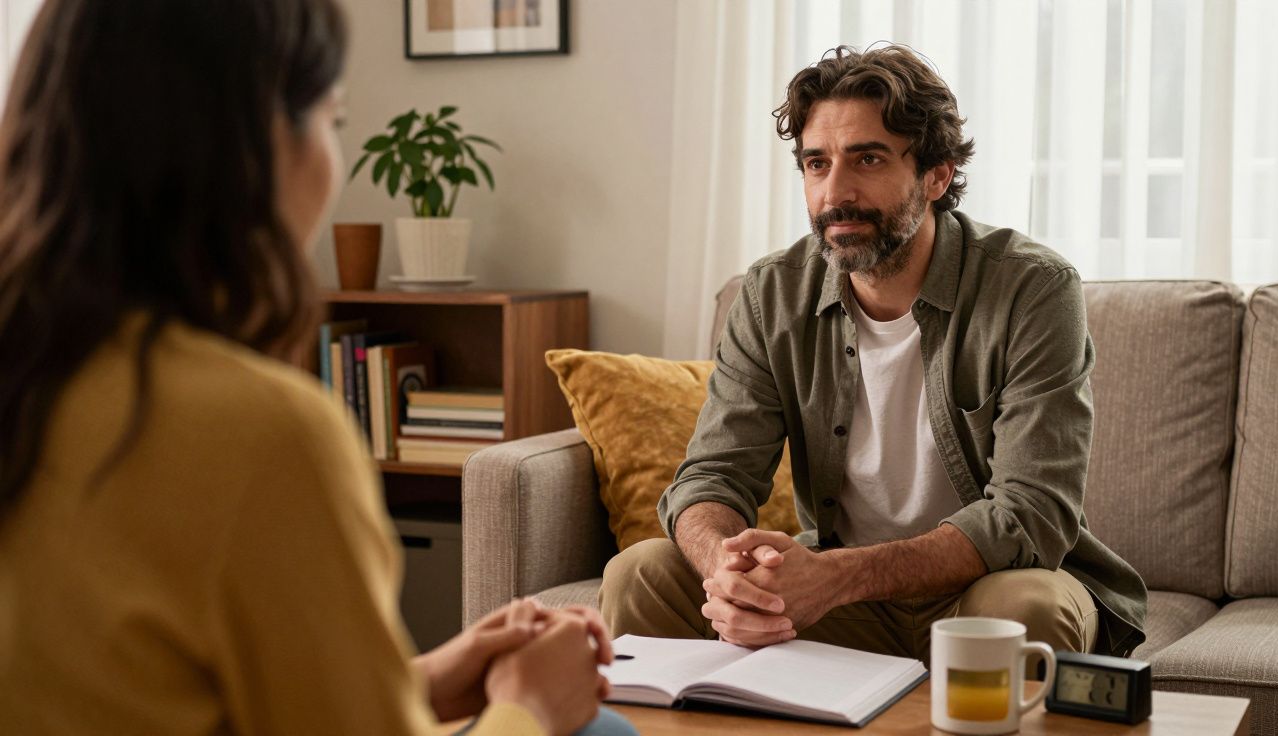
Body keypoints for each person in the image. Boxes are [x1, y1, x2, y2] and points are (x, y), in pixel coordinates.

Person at [0, 1, 631, 735]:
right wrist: (529, 705)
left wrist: (419, 681)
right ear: (261, 145)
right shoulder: (262, 435)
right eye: (334, 120)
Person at [600, 45, 1148, 662]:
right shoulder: (770, 294)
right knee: (642, 573)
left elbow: (1031, 512)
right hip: (845, 604)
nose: (836, 192)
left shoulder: (1032, 288)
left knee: (1025, 608)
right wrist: (726, 572)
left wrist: (835, 577)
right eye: (816, 163)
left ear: (936, 176)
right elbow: (713, 476)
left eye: (868, 158)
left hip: (982, 590)